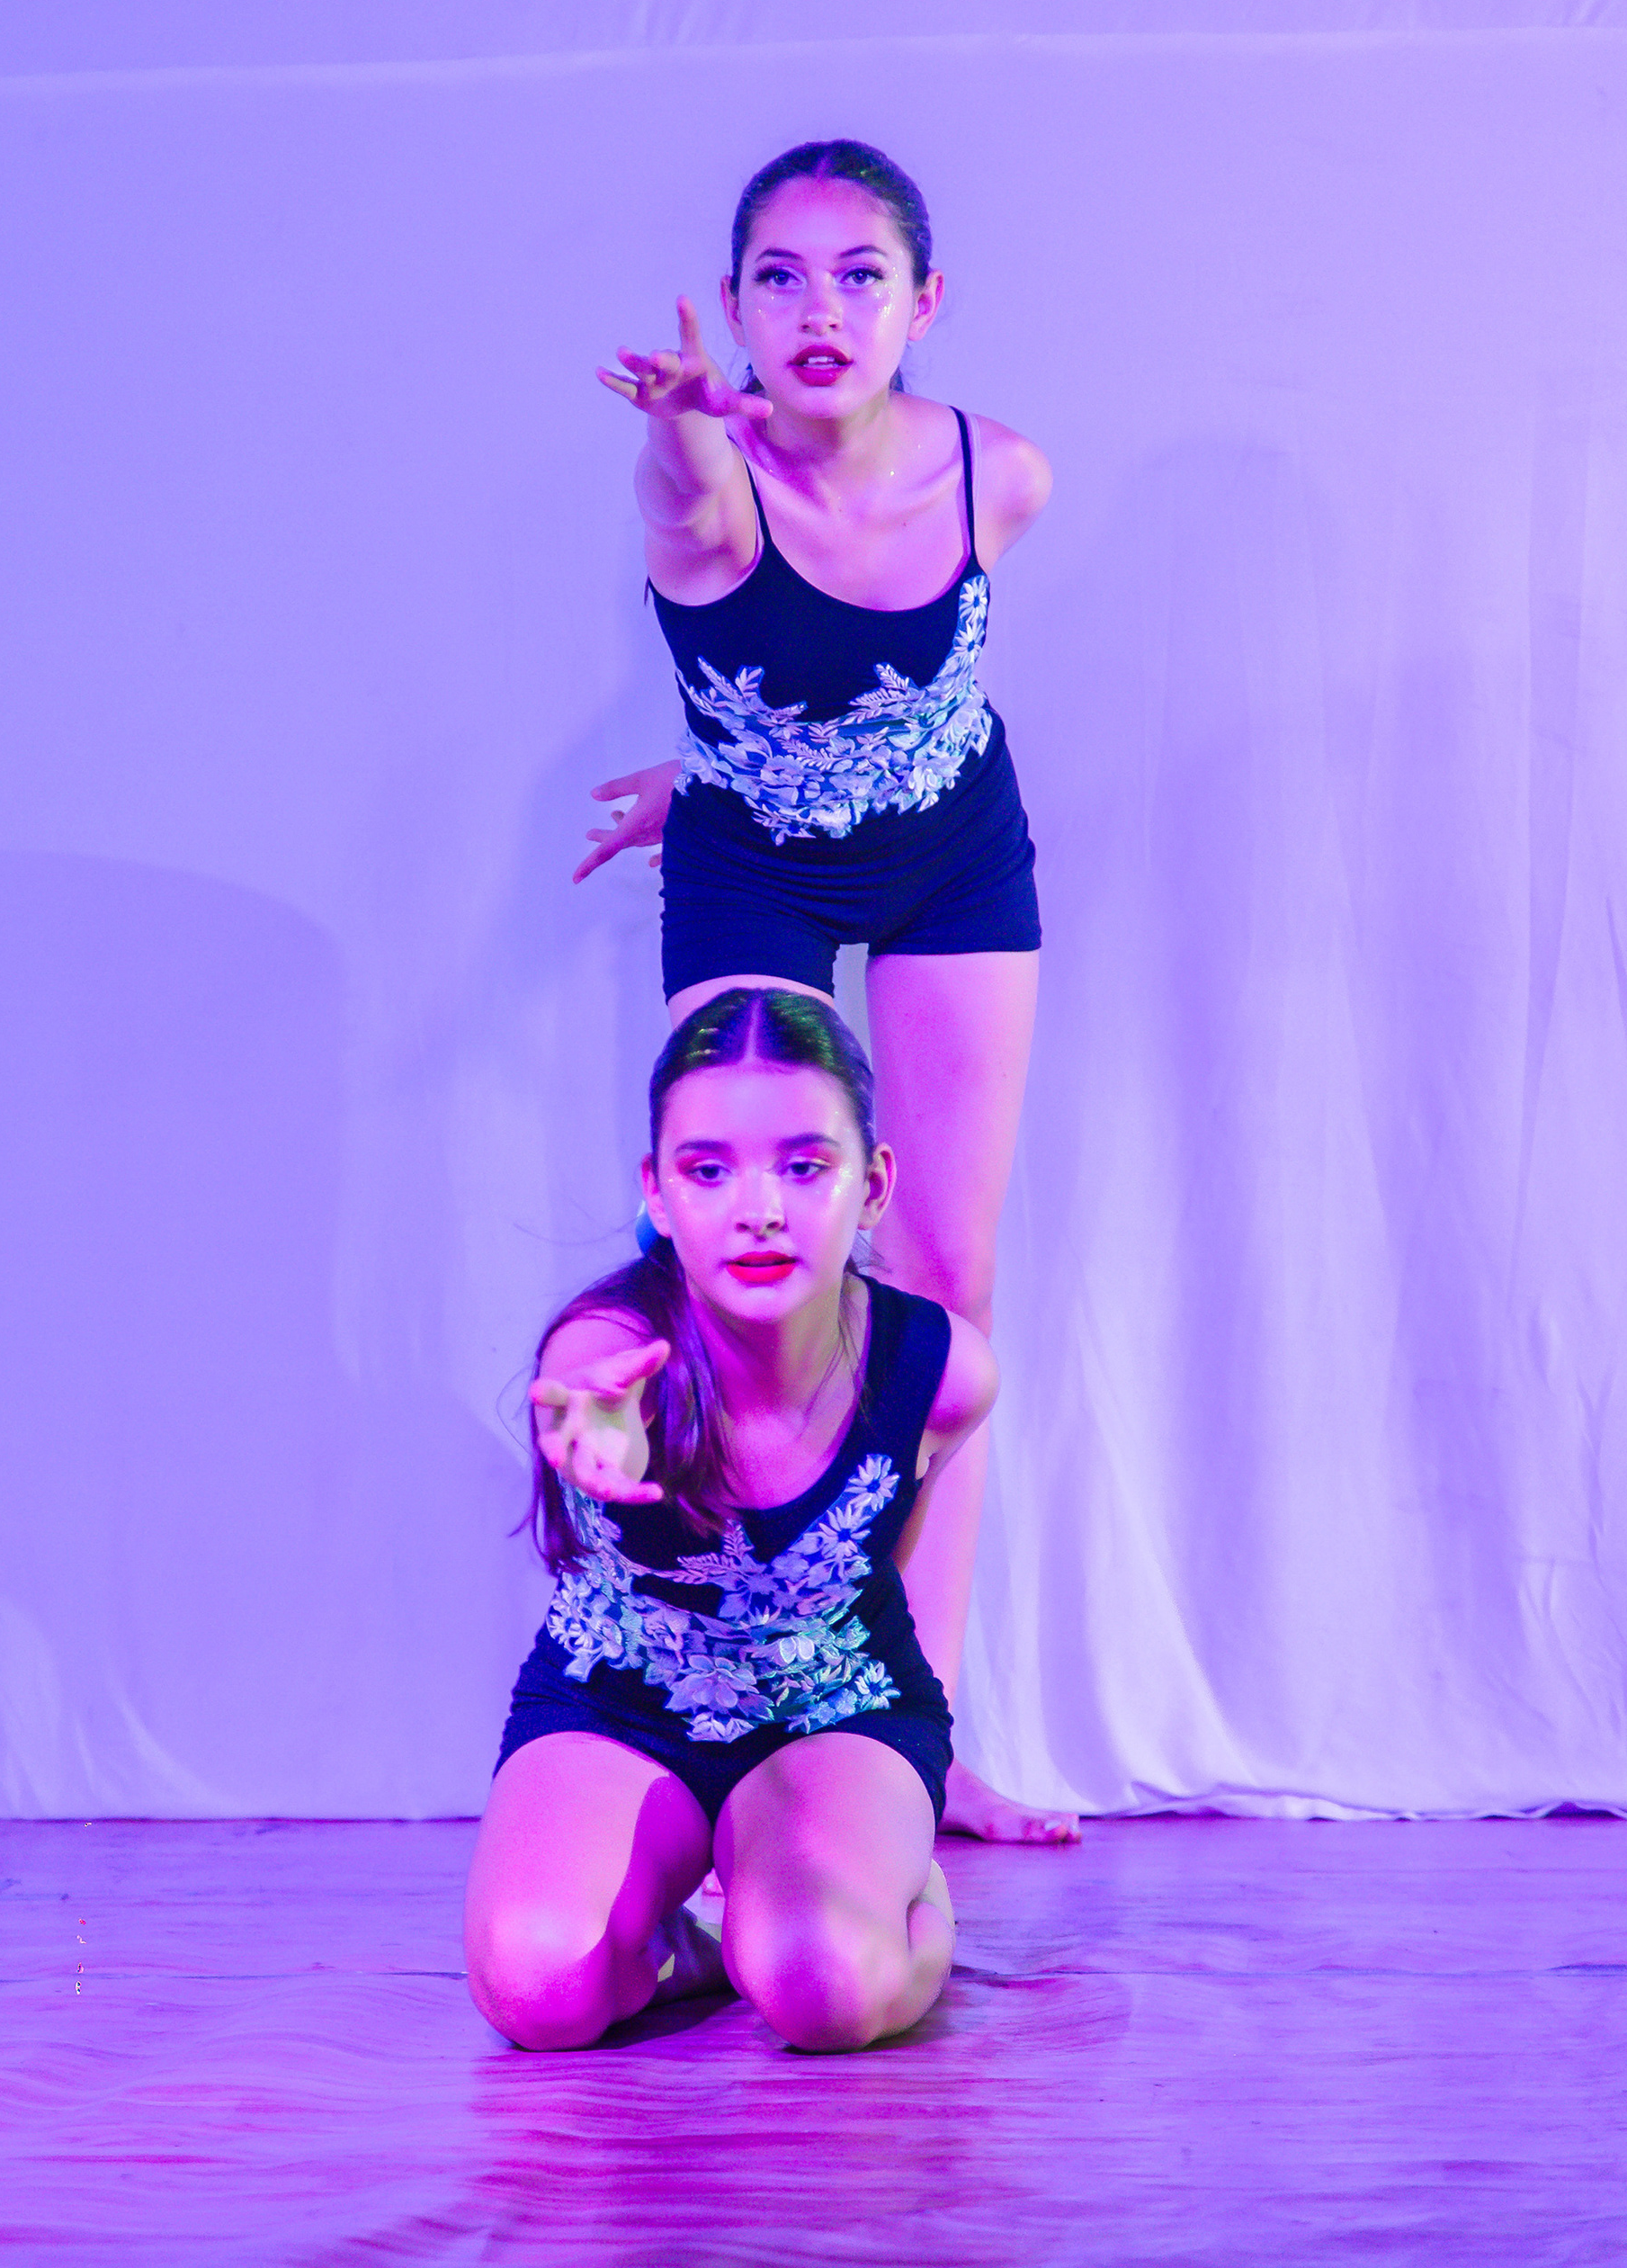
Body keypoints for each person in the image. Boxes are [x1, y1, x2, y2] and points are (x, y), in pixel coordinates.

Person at [577, 138, 1073, 1846]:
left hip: (956, 860)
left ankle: (915, 1735)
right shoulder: (714, 483)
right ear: (733, 307)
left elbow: (897, 687)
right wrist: (676, 425)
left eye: (861, 275)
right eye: (779, 277)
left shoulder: (1002, 475)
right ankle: (722, 1725)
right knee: (741, 1280)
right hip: (755, 876)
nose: (821, 310)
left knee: (944, 1288)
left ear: (923, 303)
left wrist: (724, 760)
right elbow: (691, 520)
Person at [464, 988, 995, 2051]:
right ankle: (701, 1947)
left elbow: (888, 1554)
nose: (760, 1210)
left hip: (835, 1710)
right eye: (710, 1171)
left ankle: (901, 1899)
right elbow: (591, 1390)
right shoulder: (609, 1351)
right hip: (618, 1707)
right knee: (537, 1986)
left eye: (804, 1166)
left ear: (872, 1185)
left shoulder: (942, 1373)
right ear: (657, 1193)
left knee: (823, 1987)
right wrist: (606, 1439)